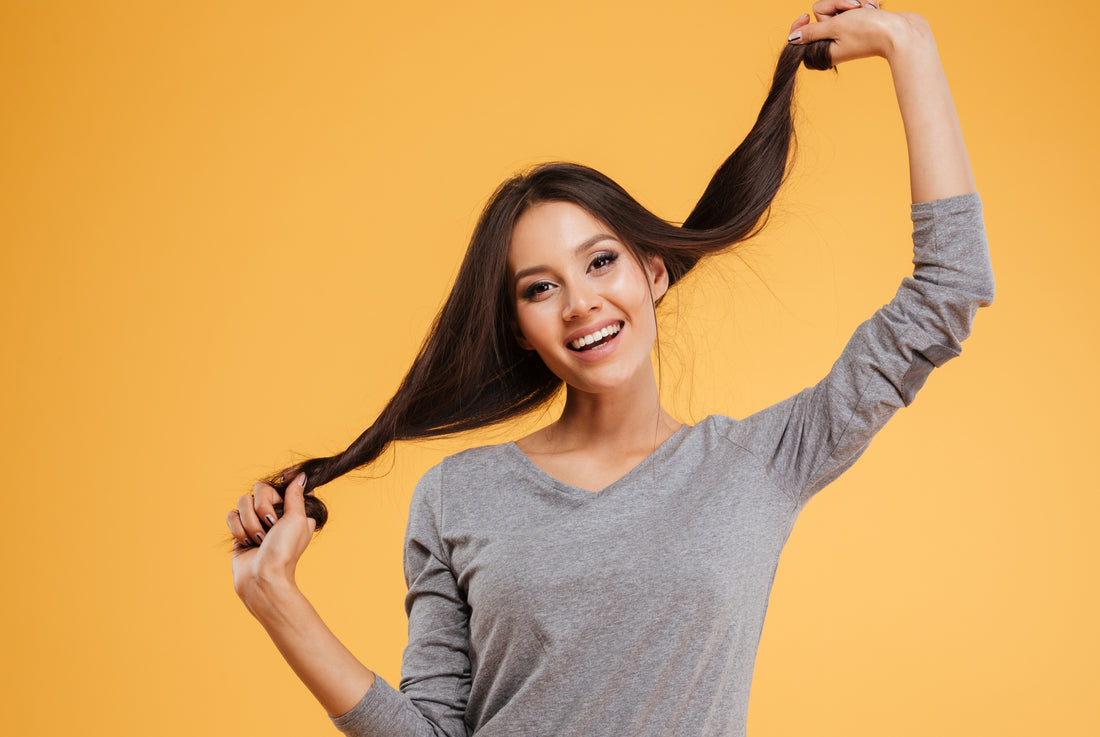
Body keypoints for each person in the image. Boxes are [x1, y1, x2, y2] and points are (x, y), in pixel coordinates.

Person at [226, 3, 994, 736]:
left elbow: (947, 291)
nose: (581, 303)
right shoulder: (457, 496)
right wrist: (275, 599)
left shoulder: (758, 464)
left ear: (654, 272)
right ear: (520, 328)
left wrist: (909, 45)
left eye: (600, 261)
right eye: (540, 287)